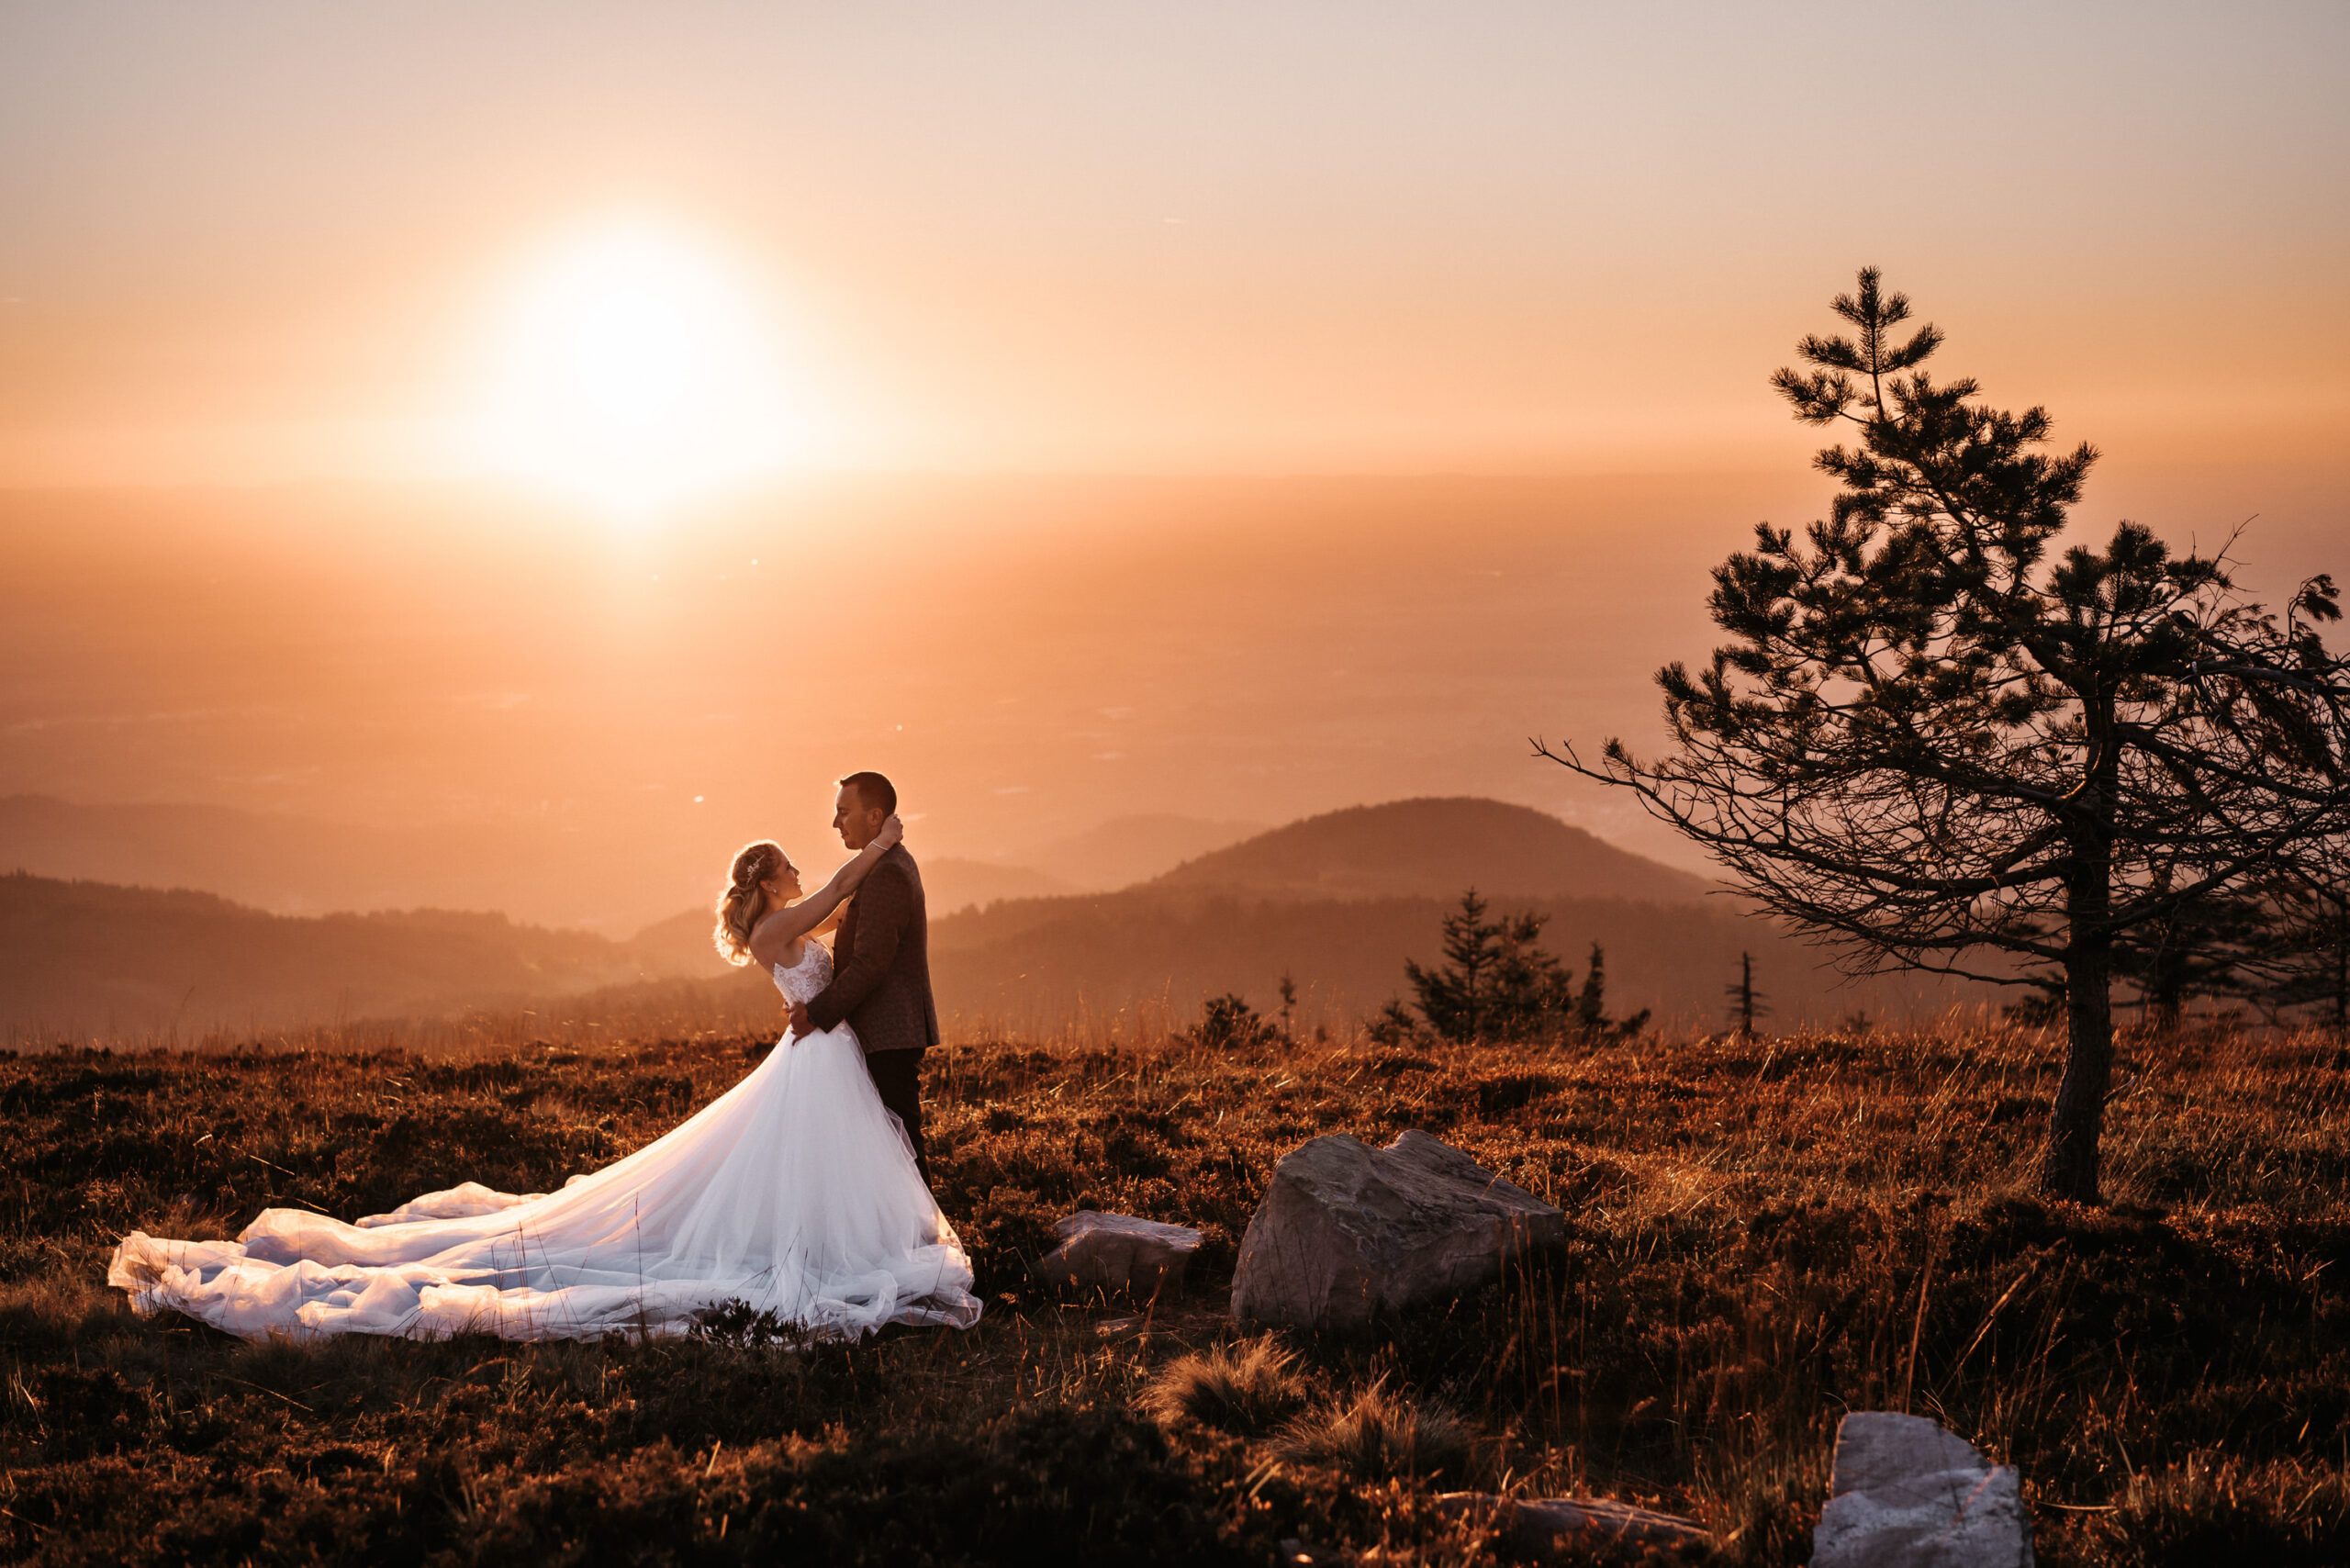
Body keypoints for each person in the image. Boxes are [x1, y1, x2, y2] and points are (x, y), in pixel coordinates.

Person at [104, 803, 980, 1342]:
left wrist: (870, 876)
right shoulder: (773, 932)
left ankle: (846, 1242)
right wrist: (882, 847)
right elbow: (833, 904)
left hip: (817, 1052)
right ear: (766, 881)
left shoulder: (783, 926)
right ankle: (833, 1250)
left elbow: (838, 925)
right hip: (814, 1055)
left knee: (815, 1164)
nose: (801, 865)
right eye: (786, 862)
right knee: (801, 1164)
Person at [789, 771, 940, 1184]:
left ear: (875, 816)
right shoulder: (880, 864)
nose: (836, 823)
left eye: (843, 812)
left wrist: (815, 1014)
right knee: (888, 1143)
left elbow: (871, 963)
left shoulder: (888, 872)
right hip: (884, 1031)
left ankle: (925, 1238)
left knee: (900, 1141)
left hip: (889, 1032)